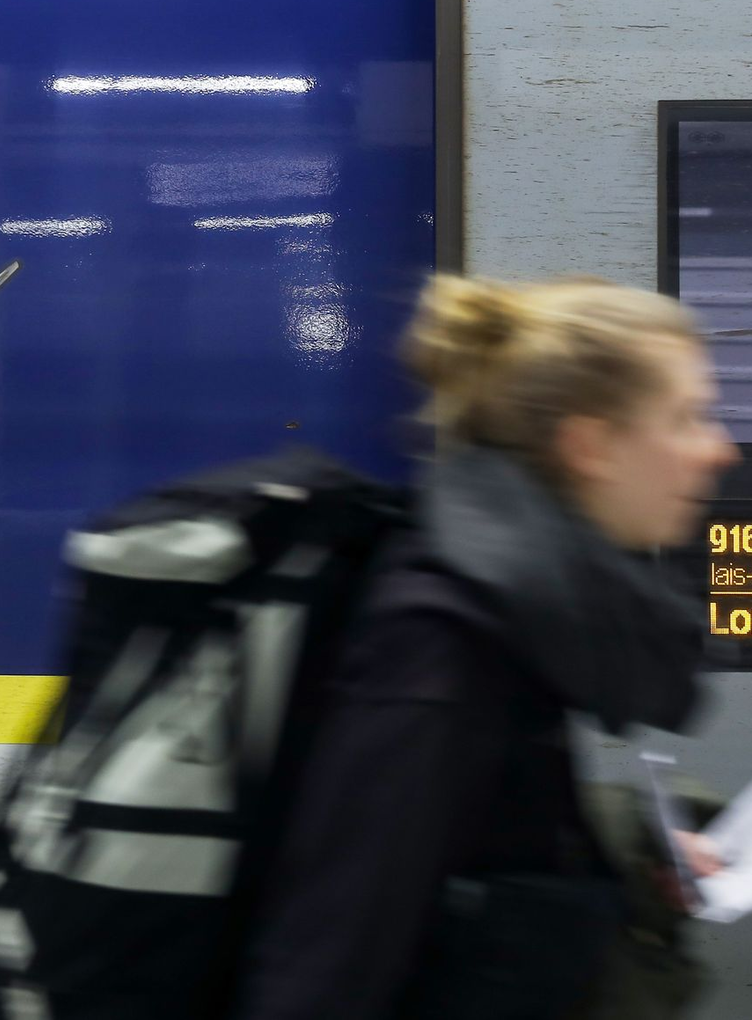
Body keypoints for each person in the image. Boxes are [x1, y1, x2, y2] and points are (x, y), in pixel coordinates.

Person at [233, 275, 739, 1020]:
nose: (718, 449)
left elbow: (473, 871)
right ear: (592, 444)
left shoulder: (522, 615)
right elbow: (325, 965)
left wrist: (632, 857)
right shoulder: (443, 643)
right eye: (687, 417)